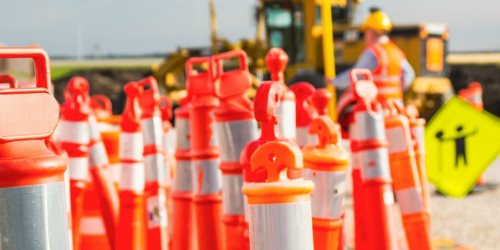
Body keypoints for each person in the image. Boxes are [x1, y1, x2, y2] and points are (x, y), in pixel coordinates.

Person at [335, 8, 415, 135]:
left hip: (376, 109)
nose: (365, 36)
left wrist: (334, 81)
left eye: (366, 31)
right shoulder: (395, 51)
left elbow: (355, 74)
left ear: (373, 32)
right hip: (396, 108)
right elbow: (409, 75)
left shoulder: (373, 52)